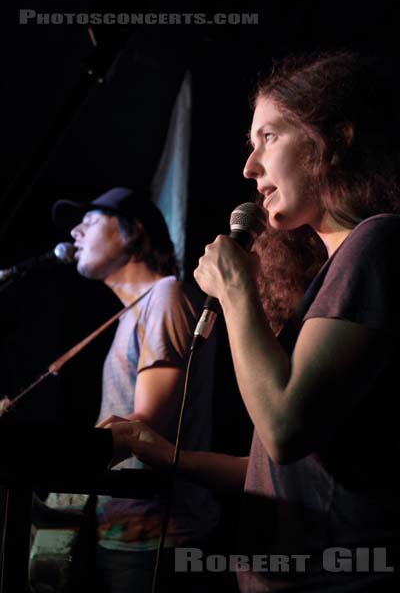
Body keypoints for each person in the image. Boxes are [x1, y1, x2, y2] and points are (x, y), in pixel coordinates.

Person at [108, 52, 400, 592]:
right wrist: (168, 457)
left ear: (331, 141)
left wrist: (237, 286)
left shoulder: (376, 244)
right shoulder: (337, 267)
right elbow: (280, 472)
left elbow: (285, 428)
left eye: (268, 137)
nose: (249, 168)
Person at [51, 186, 219, 592]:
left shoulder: (163, 295)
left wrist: (51, 459)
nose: (75, 232)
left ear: (131, 232)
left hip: (159, 540)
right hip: (123, 533)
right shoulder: (130, 315)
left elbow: (142, 428)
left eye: (89, 221)